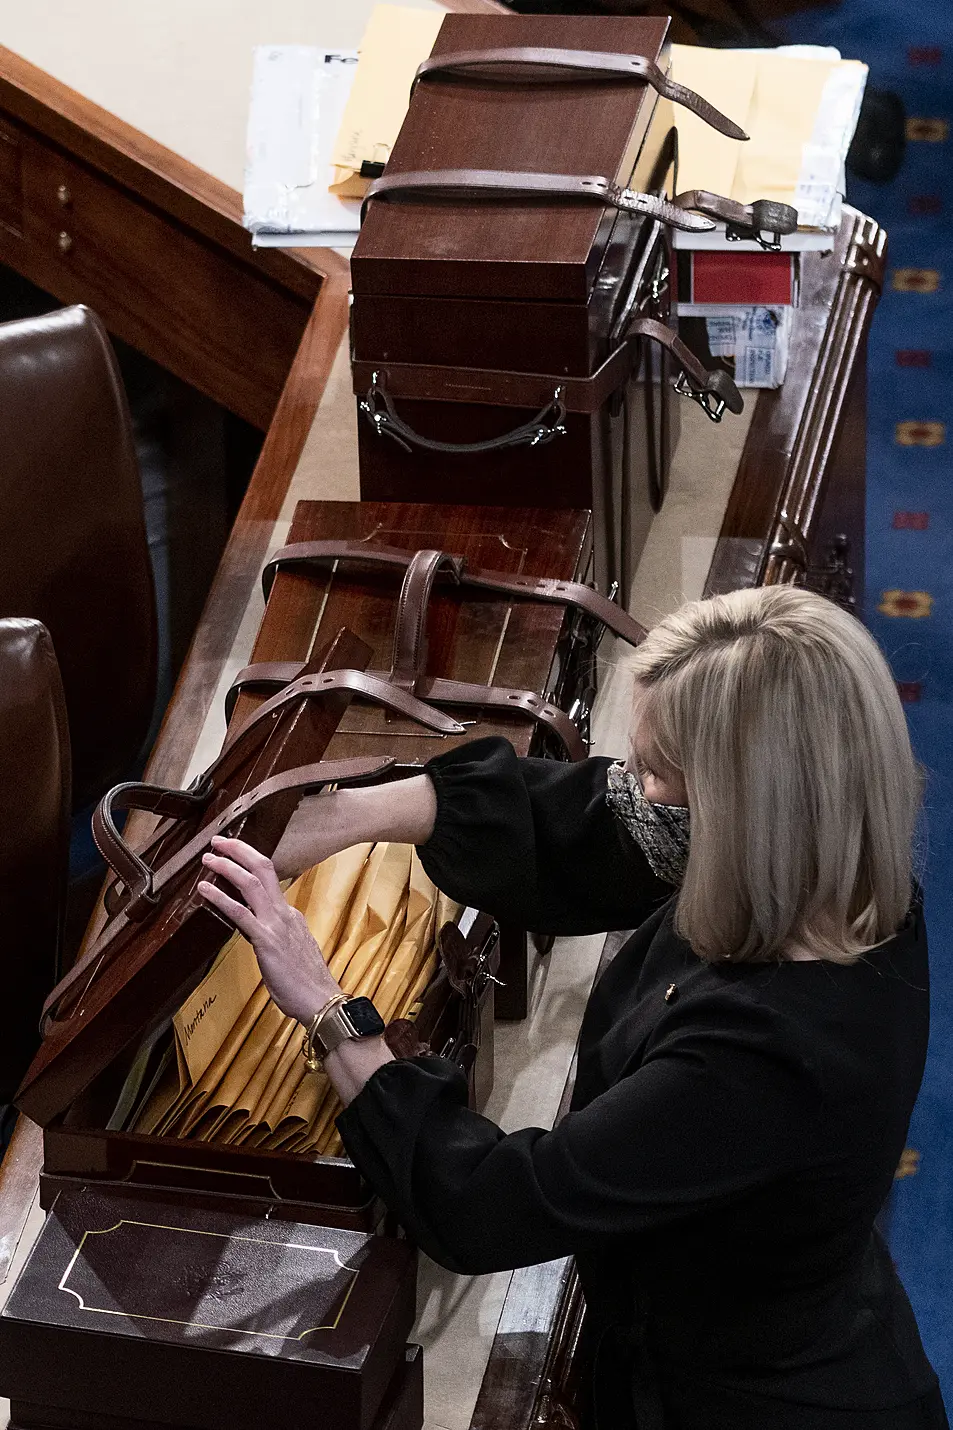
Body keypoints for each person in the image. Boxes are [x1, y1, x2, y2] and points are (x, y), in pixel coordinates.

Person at [198, 585, 948, 1430]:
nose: (636, 786)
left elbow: (492, 1204)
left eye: (659, 770)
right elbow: (602, 824)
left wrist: (329, 1007)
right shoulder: (827, 867)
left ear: (744, 809)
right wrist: (349, 815)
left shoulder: (763, 1055)